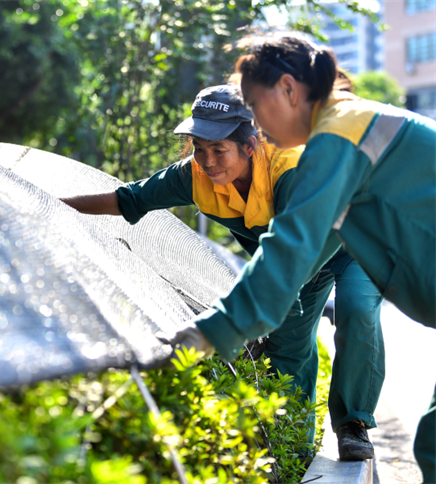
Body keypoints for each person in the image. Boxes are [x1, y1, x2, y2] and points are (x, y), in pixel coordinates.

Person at [61, 84, 385, 460]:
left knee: (358, 310)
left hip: (351, 241)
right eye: (200, 148)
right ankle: (292, 449)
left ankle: (353, 423)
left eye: (219, 149)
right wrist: (52, 203)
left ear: (251, 145)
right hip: (292, 260)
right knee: (286, 349)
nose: (208, 160)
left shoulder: (292, 168)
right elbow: (127, 199)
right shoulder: (194, 177)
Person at [173, 37, 435, 483]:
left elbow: (290, 245)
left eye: (255, 105)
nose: (255, 122)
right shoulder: (347, 128)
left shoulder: (339, 135)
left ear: (289, 89)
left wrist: (210, 331)